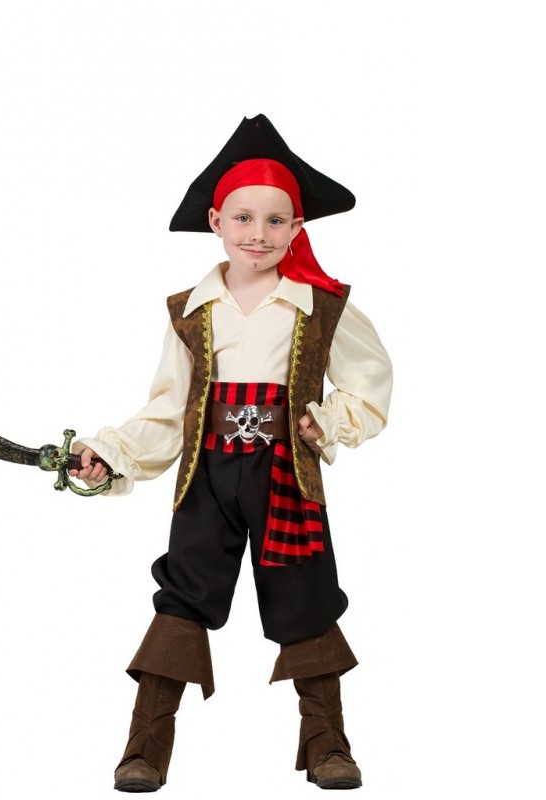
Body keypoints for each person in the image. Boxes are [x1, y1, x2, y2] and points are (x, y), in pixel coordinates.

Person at [70, 114, 392, 792]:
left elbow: (368, 382)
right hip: (208, 477)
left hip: (286, 476)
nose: (258, 234)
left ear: (297, 227)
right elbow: (168, 410)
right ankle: (145, 748)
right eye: (243, 218)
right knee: (182, 599)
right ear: (216, 221)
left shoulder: (322, 305)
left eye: (276, 221)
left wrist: (328, 422)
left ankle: (327, 744)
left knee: (305, 599)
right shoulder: (191, 310)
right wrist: (111, 452)